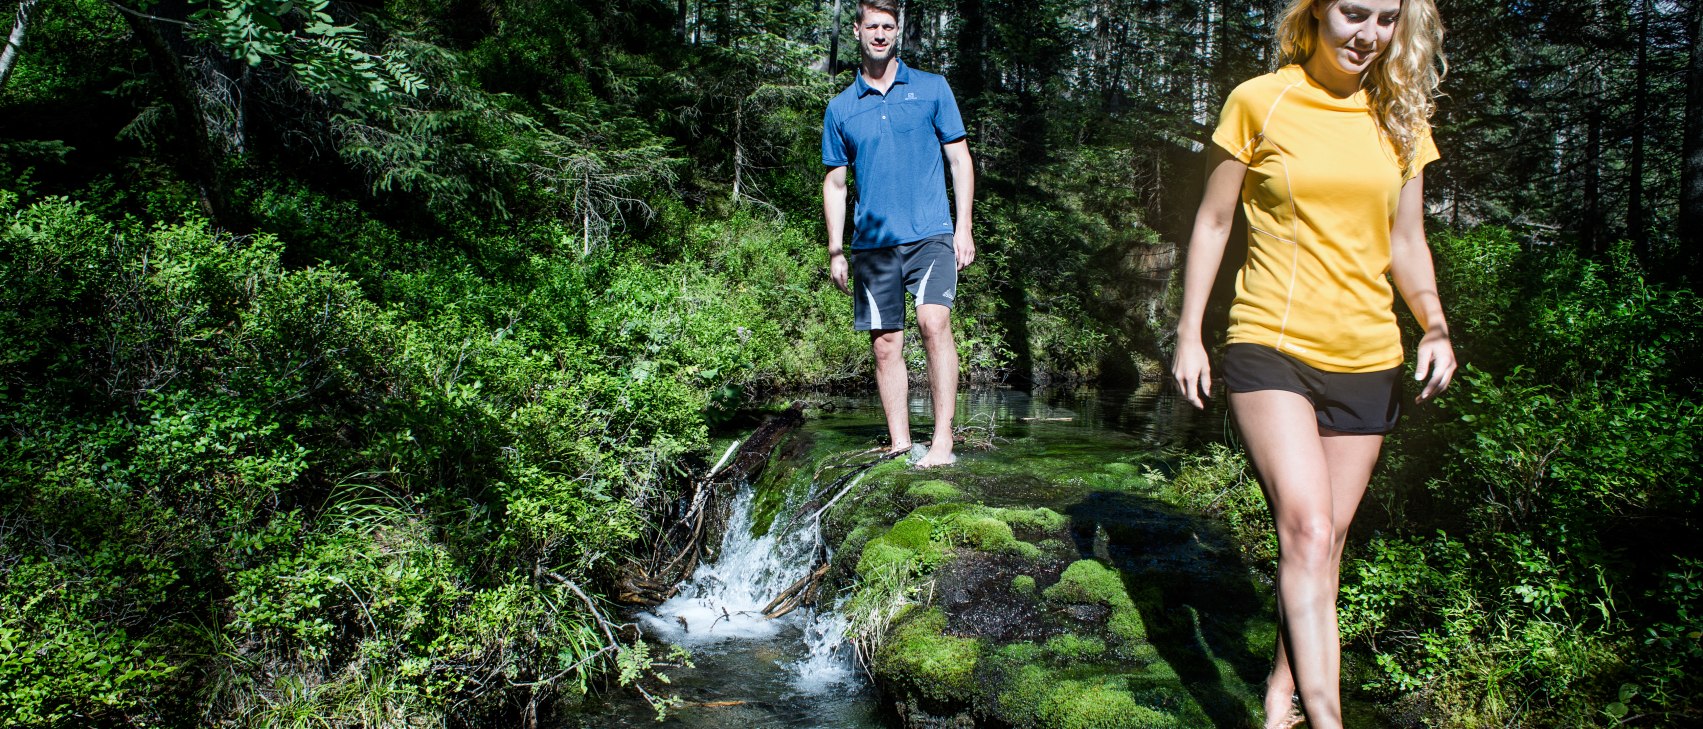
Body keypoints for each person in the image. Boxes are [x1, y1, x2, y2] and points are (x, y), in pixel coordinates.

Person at [1171, 1, 1455, 726]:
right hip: (1271, 342)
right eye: (1351, 13)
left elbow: (1406, 242)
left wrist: (1434, 325)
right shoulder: (1259, 101)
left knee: (1322, 544)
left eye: (1385, 19)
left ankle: (1279, 691)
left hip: (1367, 358)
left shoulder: (1400, 122)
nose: (1366, 33)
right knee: (1304, 527)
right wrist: (1188, 332)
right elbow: (1212, 220)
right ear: (1316, 14)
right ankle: (1327, 718)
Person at [822, 0, 975, 468]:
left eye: (889, 26)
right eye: (873, 26)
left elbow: (959, 160)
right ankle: (900, 443)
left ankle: (943, 440)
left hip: (930, 233)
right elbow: (835, 182)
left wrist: (963, 226)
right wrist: (835, 249)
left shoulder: (931, 88)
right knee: (886, 343)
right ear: (858, 31)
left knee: (934, 322)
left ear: (898, 32)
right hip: (872, 242)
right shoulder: (841, 108)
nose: (881, 34)